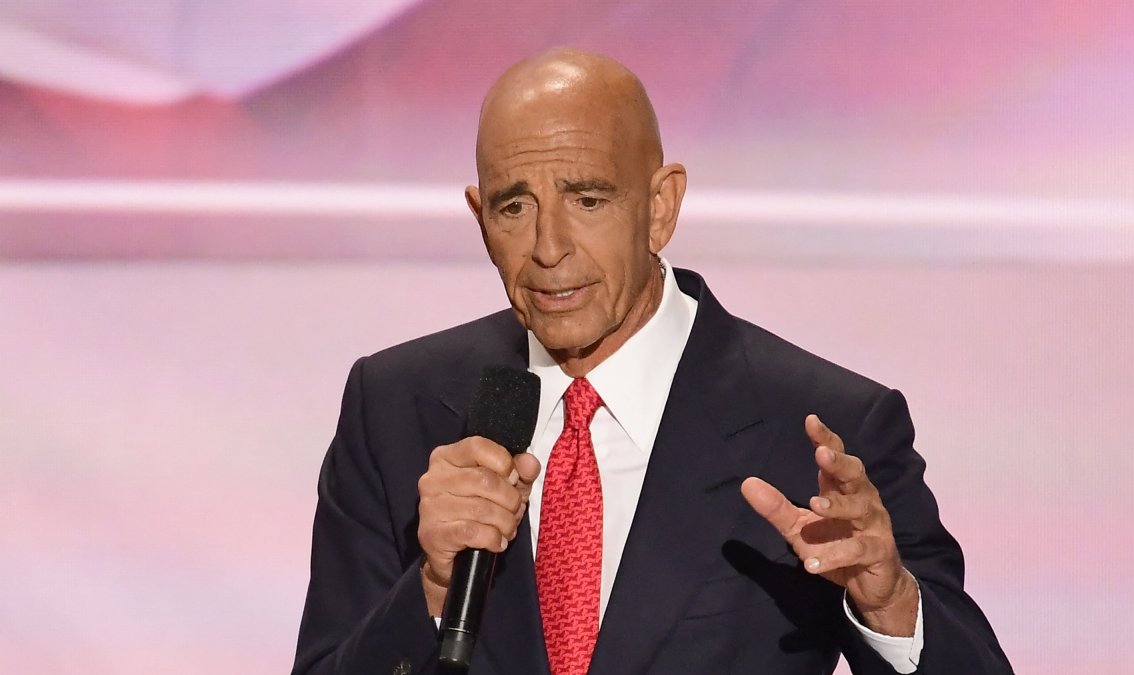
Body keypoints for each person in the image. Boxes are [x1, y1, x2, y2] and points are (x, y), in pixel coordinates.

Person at [292, 48, 1012, 675]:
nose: (548, 246)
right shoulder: (394, 407)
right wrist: (432, 588)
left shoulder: (825, 430)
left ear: (661, 206)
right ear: (481, 218)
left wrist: (888, 602)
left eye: (588, 198)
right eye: (515, 208)